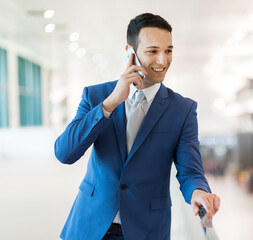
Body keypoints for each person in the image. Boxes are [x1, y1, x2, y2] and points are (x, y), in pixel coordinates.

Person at [54, 13, 220, 240]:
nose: (163, 60)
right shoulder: (96, 95)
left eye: (168, 51)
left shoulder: (182, 110)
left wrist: (199, 192)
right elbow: (65, 152)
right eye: (153, 51)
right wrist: (110, 103)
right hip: (89, 228)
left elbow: (190, 171)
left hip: (146, 231)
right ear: (130, 52)